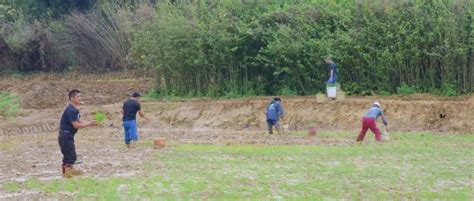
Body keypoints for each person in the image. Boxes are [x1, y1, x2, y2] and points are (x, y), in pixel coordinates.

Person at [59, 90, 98, 178]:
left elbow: (79, 121)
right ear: (72, 98)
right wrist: (89, 124)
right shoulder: (71, 110)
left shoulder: (75, 109)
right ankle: (67, 175)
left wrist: (90, 122)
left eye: (80, 96)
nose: (80, 98)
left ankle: (67, 175)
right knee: (70, 156)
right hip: (65, 135)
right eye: (78, 96)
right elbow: (76, 125)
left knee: (69, 156)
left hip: (68, 136)